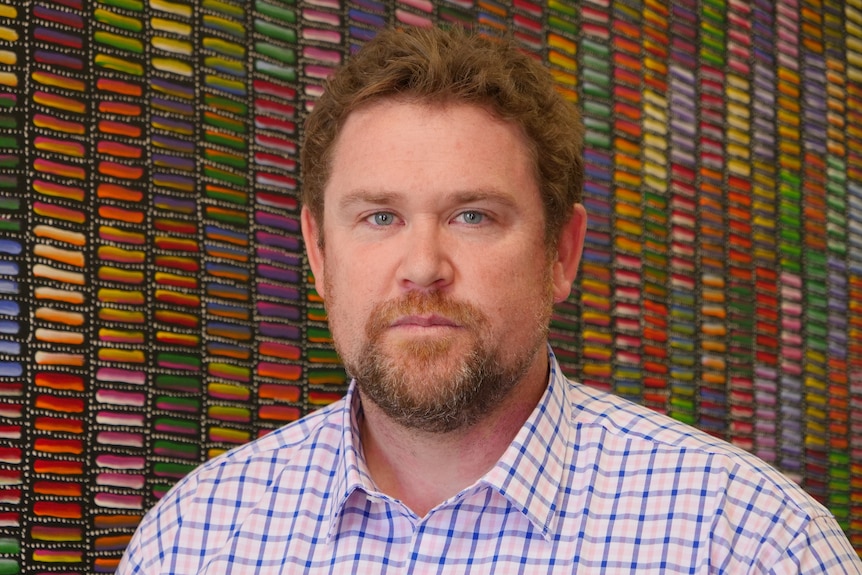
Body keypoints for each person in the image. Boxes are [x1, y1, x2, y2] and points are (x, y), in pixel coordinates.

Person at [118, 25, 862, 574]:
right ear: (317, 252)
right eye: (380, 216)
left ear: (560, 253)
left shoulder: (753, 542)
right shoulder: (191, 540)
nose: (423, 266)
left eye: (473, 215)